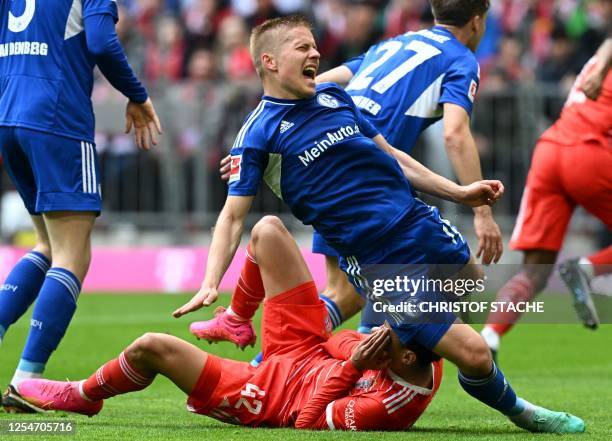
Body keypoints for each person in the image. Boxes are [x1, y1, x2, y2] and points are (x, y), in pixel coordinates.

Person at [174, 15, 583, 433]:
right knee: (475, 353)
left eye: (315, 45)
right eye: (302, 47)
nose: (315, 53)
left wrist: (459, 193)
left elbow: (395, 158)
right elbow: (231, 216)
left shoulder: (334, 96)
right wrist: (211, 281)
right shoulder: (258, 134)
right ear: (271, 61)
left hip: (420, 224)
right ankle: (524, 414)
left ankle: (379, 344)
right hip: (381, 262)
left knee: (472, 292)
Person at [213, 0, 504, 346]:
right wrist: (482, 212)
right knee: (374, 291)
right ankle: (285, 362)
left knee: (352, 292)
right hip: (368, 172)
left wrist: (264, 134)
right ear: (476, 23)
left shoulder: (395, 43)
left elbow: (322, 82)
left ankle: (338, 353)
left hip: (333, 155)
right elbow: (455, 134)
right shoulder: (460, 58)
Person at [14, 216, 444, 431]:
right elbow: (341, 339)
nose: (382, 325)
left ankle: (83, 394)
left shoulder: (384, 409)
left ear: (405, 355)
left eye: (390, 330)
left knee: (151, 346)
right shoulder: (423, 351)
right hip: (304, 348)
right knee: (269, 229)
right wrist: (352, 352)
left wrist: (352, 366)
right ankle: (238, 320)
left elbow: (306, 422)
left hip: (271, 395)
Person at [0, 0, 161, 411]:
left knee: (46, 246)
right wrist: (137, 95)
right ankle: (27, 380)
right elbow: (103, 43)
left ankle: (24, 374)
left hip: (10, 115)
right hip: (58, 120)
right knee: (73, 255)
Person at [480, 38, 612, 356]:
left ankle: (490, 335)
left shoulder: (600, 58)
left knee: (535, 270)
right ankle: (589, 268)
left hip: (551, 151)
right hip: (589, 150)